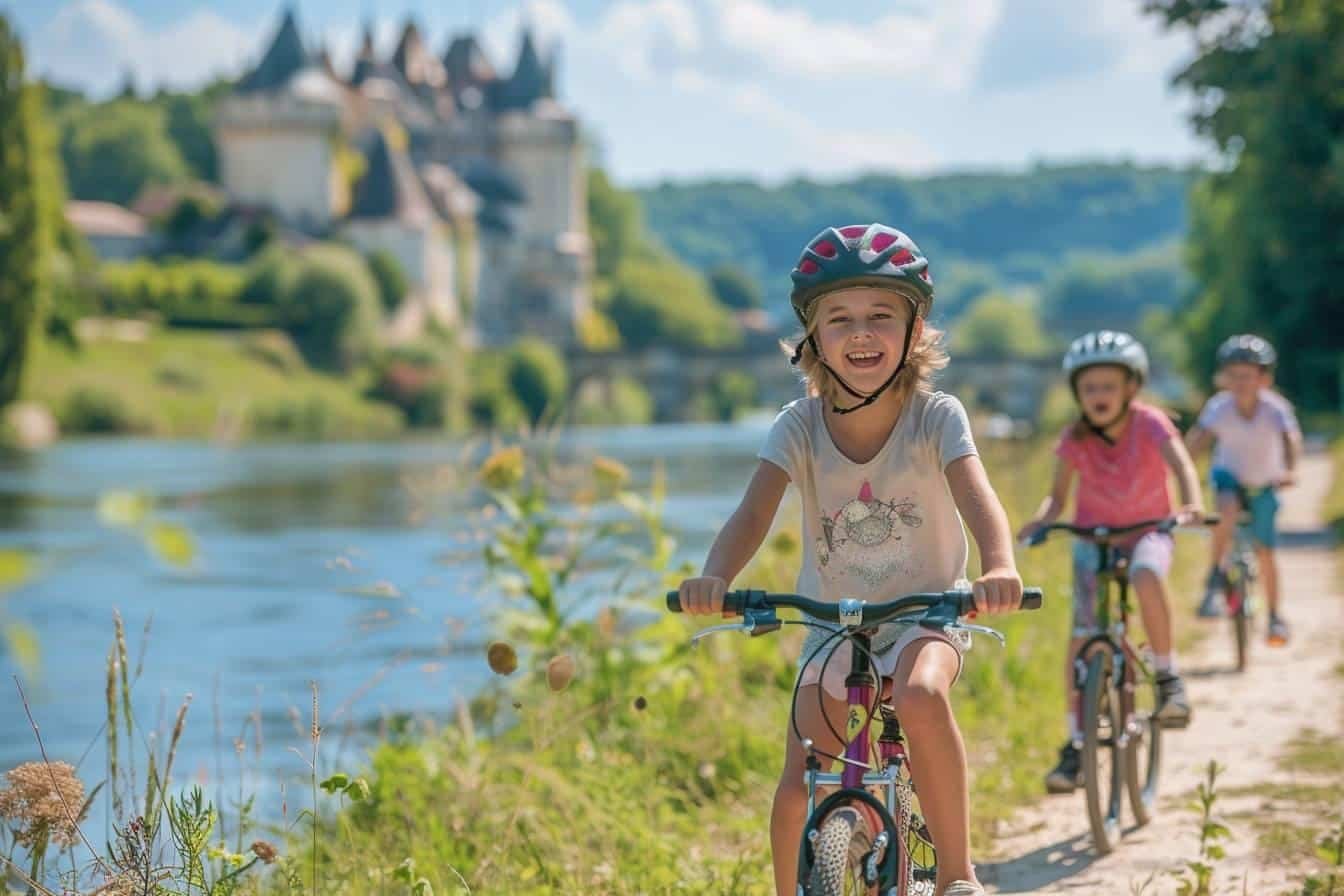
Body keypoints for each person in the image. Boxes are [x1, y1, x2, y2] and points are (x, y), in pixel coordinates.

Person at [677, 223, 1023, 896]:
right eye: (839, 319)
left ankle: (957, 875)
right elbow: (752, 513)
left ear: (915, 332)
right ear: (812, 338)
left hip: (928, 612)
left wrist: (999, 565)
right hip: (835, 622)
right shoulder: (798, 425)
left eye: (880, 317)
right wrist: (716, 576)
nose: (860, 333)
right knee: (799, 774)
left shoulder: (937, 418)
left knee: (921, 696)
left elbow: (978, 499)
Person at [1017, 331, 1203, 795]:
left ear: (1131, 388)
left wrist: (1191, 504)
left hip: (1148, 530)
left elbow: (1181, 466)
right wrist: (1040, 522)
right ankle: (1077, 743)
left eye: (1108, 386)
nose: (1098, 396)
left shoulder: (1152, 423)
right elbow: (1058, 498)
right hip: (1092, 538)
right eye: (1089, 388)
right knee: (1082, 639)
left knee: (1145, 573)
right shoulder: (1074, 438)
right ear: (1077, 393)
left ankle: (1167, 676)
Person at [1185, 334, 1301, 645]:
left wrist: (1290, 470)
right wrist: (1183, 466)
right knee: (1226, 507)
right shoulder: (1218, 407)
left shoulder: (1276, 408)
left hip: (1265, 481)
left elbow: (1291, 440)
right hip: (1229, 475)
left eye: (1247, 376)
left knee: (1265, 552)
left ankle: (1275, 616)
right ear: (1223, 378)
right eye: (1233, 375)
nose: (1240, 382)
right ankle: (1214, 577)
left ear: (1264, 379)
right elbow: (1198, 439)